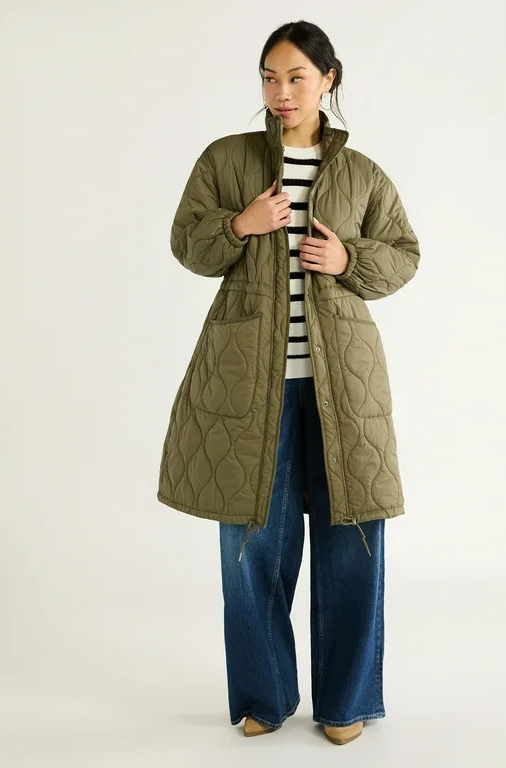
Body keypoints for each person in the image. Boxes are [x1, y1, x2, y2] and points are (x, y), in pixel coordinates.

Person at [157, 19, 421, 746]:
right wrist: (240, 225)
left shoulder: (362, 173)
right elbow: (187, 243)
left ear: (328, 80)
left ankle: (346, 702)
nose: (281, 91)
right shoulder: (227, 159)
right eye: (270, 78)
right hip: (249, 385)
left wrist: (349, 260)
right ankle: (263, 695)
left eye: (297, 77)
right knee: (252, 548)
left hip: (344, 387)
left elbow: (404, 254)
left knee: (352, 542)